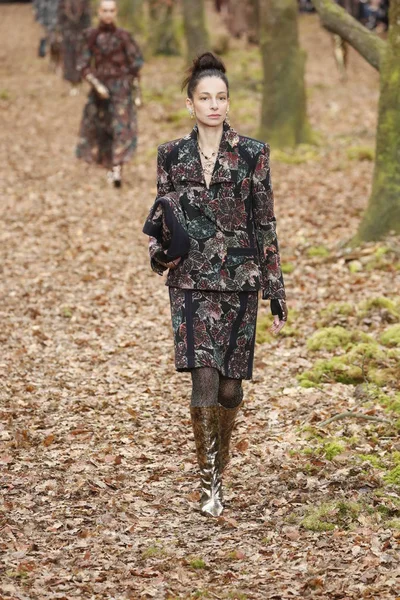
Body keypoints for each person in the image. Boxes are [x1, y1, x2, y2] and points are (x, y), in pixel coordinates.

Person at [143, 53, 287, 518]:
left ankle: (219, 453)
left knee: (229, 389)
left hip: (241, 281)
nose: (214, 105)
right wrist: (158, 255)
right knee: (203, 379)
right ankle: (210, 482)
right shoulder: (170, 154)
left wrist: (275, 285)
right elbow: (163, 215)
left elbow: (263, 220)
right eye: (205, 98)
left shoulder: (253, 153)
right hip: (190, 282)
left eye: (221, 97)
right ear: (190, 104)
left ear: (229, 102)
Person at [76, 0, 144, 187]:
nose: (108, 14)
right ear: (99, 12)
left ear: (116, 13)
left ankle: (117, 169)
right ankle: (110, 167)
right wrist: (97, 85)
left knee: (121, 127)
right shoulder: (91, 36)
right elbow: (82, 65)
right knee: (103, 130)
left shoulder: (124, 36)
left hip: (122, 88)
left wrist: (137, 91)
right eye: (104, 10)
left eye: (111, 11)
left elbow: (136, 64)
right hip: (100, 91)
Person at [58, 0, 91, 94]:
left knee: (81, 58)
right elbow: (60, 16)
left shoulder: (84, 3)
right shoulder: (63, 2)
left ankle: (79, 80)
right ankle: (73, 83)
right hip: (68, 34)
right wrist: (61, 32)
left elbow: (87, 17)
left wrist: (87, 33)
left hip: (80, 34)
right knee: (69, 59)